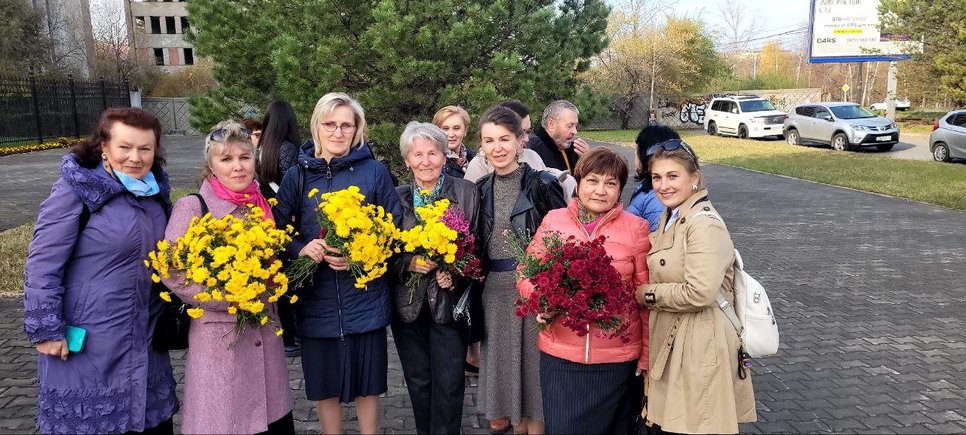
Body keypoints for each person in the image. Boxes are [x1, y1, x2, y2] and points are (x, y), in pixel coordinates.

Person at [23, 108, 179, 434]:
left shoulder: (154, 194)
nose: (134, 158)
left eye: (144, 149)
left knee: (149, 423)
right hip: (90, 344)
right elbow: (42, 264)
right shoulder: (77, 191)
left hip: (145, 337)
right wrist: (47, 329)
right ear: (104, 146)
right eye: (125, 147)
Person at [273, 92, 402, 435]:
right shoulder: (296, 176)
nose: (338, 132)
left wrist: (361, 255)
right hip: (317, 300)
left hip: (365, 298)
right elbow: (275, 230)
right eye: (330, 124)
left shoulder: (375, 172)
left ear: (358, 128)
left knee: (368, 383)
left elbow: (394, 228)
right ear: (317, 126)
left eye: (347, 124)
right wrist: (301, 248)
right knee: (323, 383)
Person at [161, 121, 294, 435]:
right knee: (225, 423)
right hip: (221, 342)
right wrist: (229, 295)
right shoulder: (193, 207)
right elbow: (171, 270)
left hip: (264, 336)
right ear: (211, 165)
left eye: (245, 158)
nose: (238, 167)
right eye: (227, 159)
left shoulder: (261, 206)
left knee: (270, 420)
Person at [519, 147, 650, 435]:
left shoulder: (637, 229)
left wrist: (646, 355)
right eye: (593, 181)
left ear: (620, 189)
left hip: (616, 361)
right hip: (561, 358)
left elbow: (643, 298)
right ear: (579, 182)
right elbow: (526, 273)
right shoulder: (554, 220)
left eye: (610, 183)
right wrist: (543, 301)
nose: (600, 190)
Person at [635, 139, 757, 434]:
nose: (663, 185)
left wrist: (646, 293)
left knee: (697, 424)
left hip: (700, 340)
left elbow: (699, 292)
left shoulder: (703, 223)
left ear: (695, 177)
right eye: (657, 177)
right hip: (679, 336)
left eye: (673, 176)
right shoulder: (673, 215)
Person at [476, 106, 568, 435]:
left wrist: (546, 288)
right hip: (495, 295)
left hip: (533, 291)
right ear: (481, 145)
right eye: (489, 140)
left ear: (521, 141)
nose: (497, 147)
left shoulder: (542, 183)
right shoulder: (480, 188)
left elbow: (563, 239)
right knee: (506, 376)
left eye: (504, 139)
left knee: (534, 375)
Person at [390, 122, 480, 434]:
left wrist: (454, 272)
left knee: (450, 385)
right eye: (418, 154)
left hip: (449, 305)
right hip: (408, 306)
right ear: (407, 160)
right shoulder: (395, 198)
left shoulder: (467, 193)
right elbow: (383, 253)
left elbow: (477, 246)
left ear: (445, 156)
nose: (426, 161)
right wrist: (408, 264)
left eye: (433, 153)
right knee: (418, 383)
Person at [256, 100, 303, 357]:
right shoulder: (287, 149)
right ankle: (292, 336)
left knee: (279, 276)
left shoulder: (262, 147)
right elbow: (291, 185)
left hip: (268, 216)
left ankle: (286, 335)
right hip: (287, 218)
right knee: (291, 278)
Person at [463, 100, 576, 196]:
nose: (526, 139)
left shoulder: (532, 156)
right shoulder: (479, 166)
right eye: (522, 132)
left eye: (528, 131)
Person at [627, 125, 680, 233]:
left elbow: (658, 242)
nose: (635, 154)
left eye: (637, 149)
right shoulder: (649, 187)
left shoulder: (659, 198)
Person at [528, 100, 590, 173]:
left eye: (576, 126)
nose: (574, 131)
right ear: (551, 124)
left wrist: (588, 161)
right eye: (569, 126)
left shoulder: (574, 151)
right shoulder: (533, 149)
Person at [432, 105, 476, 179]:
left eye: (456, 128)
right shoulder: (433, 162)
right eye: (445, 129)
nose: (451, 134)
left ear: (465, 130)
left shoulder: (474, 158)